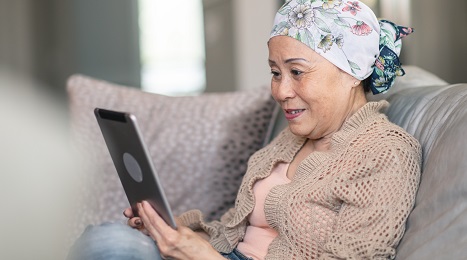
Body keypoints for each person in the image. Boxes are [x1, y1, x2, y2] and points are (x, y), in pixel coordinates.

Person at [67, 1, 421, 259]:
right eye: (275, 72)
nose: (281, 91)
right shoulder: (294, 137)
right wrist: (176, 234)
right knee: (106, 236)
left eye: (297, 71)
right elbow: (234, 234)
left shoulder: (386, 151)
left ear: (353, 71)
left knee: (111, 248)